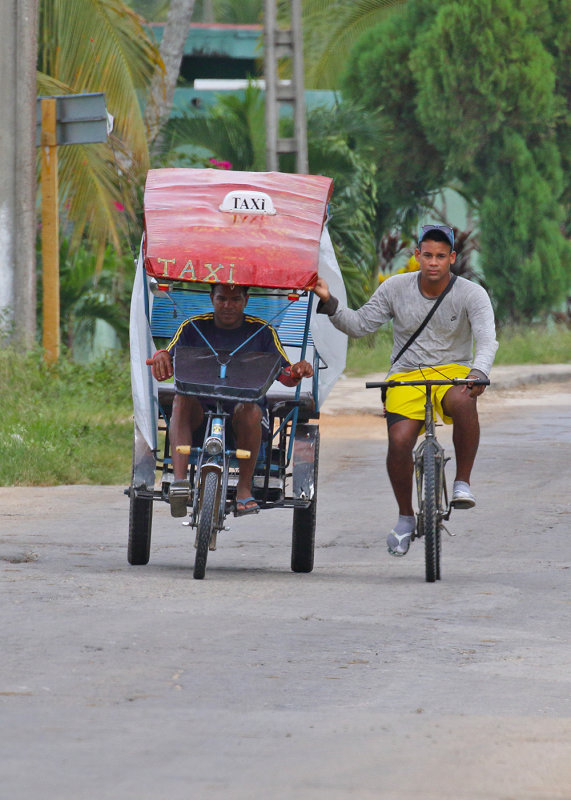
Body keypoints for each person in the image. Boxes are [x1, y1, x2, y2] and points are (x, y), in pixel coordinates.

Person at [313, 224, 498, 557]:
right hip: (405, 374)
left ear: (452, 258)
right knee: (399, 440)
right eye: (427, 255)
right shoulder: (395, 288)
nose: (433, 263)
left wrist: (478, 373)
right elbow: (358, 325)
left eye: (441, 256)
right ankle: (404, 516)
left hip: (454, 371)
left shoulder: (472, 293)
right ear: (417, 255)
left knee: (464, 399)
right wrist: (329, 301)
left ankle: (462, 483)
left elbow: (486, 339)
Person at [149, 283, 313, 517]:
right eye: (222, 298)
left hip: (243, 418)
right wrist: (161, 356)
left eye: (235, 299)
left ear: (246, 300)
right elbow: (166, 357)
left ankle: (244, 489)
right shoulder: (191, 327)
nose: (228, 305)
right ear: (211, 298)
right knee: (180, 400)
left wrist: (297, 371)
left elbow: (285, 375)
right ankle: (179, 484)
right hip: (198, 418)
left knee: (250, 409)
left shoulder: (263, 332)